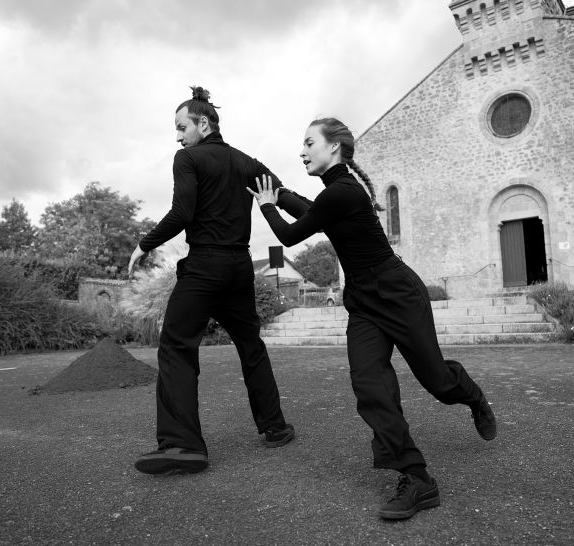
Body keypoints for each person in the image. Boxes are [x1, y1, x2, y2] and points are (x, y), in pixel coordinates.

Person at [247, 117, 497, 520]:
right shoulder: (335, 195)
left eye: (309, 142)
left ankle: (472, 396)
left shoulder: (343, 191)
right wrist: (280, 193)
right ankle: (416, 477)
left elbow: (292, 234)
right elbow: (311, 210)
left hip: (398, 293)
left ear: (334, 147)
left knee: (437, 380)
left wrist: (267, 204)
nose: (302, 150)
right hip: (364, 303)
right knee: (369, 386)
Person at [127, 86, 307, 475]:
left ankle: (183, 445)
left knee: (176, 345)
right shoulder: (246, 162)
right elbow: (289, 199)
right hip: (239, 267)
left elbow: (182, 213)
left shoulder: (187, 159)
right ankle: (275, 427)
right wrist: (339, 212)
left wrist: (144, 245)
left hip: (205, 267)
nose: (177, 137)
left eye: (181, 127)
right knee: (251, 345)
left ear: (203, 124)